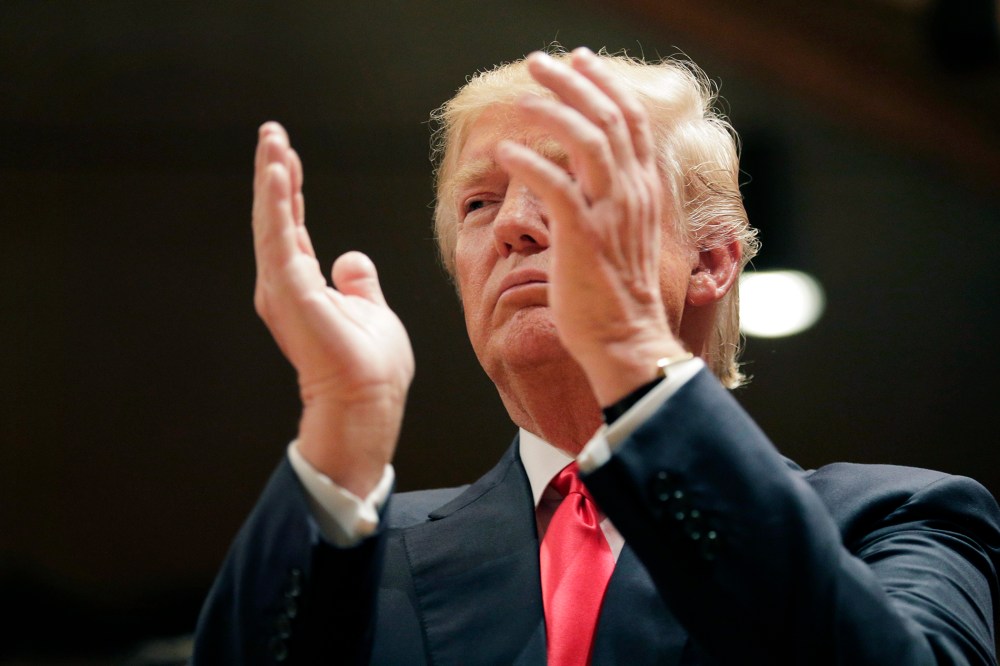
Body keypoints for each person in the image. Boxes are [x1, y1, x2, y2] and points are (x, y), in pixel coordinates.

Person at [193, 47, 1000, 665]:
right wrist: (343, 424)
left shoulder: (897, 521)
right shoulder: (358, 552)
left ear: (712, 261)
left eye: (574, 186)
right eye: (480, 203)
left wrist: (626, 352)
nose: (513, 223)